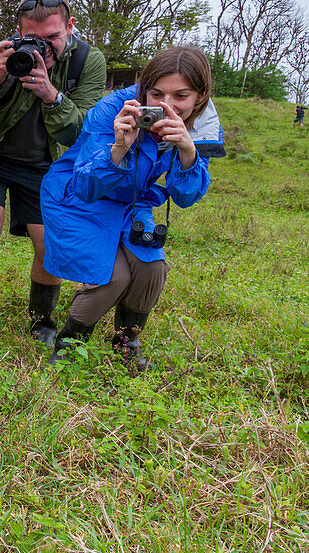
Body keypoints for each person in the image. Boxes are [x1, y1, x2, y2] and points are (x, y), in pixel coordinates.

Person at [40, 46, 226, 371]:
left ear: (200, 96)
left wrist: (187, 151)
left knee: (152, 269)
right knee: (112, 276)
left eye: (181, 96)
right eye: (156, 93)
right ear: (144, 88)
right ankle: (70, 340)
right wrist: (120, 147)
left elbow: (184, 196)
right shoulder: (113, 108)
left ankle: (127, 341)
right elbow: (86, 185)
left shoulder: (201, 125)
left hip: (132, 201)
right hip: (79, 197)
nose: (167, 106)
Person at [0, 0, 107, 344]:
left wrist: (52, 96)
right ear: (19, 32)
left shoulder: (87, 62)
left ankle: (42, 322)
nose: (43, 48)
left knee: (48, 241)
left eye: (53, 38)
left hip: (46, 164)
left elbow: (86, 132)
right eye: (33, 38)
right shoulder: (0, 55)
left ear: (70, 27)